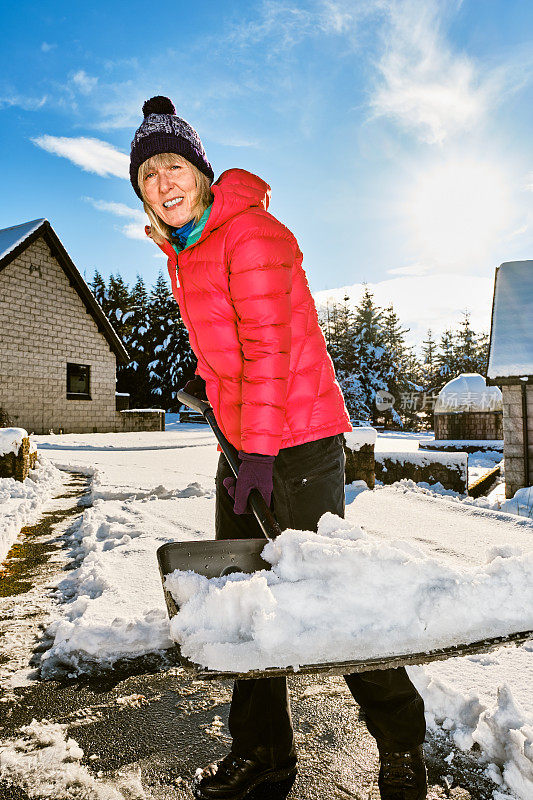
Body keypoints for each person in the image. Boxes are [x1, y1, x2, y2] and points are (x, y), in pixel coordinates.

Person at [130, 96, 427, 800]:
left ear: (200, 173)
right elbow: (232, 343)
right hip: (246, 439)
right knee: (240, 600)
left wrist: (257, 453)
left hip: (293, 444)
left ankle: (401, 743)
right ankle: (262, 755)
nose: (162, 183)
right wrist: (204, 380)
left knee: (325, 595)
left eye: (173, 165)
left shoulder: (249, 233)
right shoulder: (190, 246)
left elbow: (270, 348)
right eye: (147, 175)